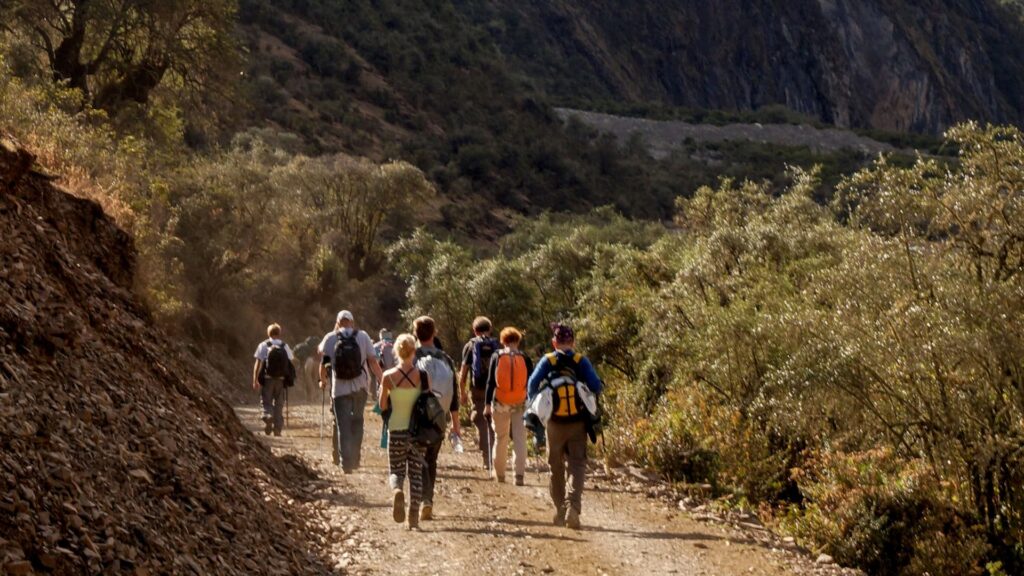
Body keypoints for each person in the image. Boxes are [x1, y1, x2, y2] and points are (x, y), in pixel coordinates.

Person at [527, 323, 603, 530]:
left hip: (554, 423)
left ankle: (560, 509)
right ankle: (573, 508)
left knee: (556, 466)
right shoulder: (581, 361)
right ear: (573, 342)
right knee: (577, 465)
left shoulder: (548, 360)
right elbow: (596, 386)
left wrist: (535, 412)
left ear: (554, 342)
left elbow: (532, 386)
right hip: (578, 422)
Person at [319, 310, 384, 474]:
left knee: (343, 425)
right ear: (352, 322)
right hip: (360, 386)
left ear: (338, 322)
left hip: (339, 389)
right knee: (357, 422)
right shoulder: (362, 336)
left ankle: (345, 462)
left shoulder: (331, 337)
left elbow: (324, 362)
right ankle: (355, 459)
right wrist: (383, 380)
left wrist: (323, 380)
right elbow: (373, 362)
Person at [379, 334, 430, 530]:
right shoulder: (423, 376)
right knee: (416, 474)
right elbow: (428, 403)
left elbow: (382, 405)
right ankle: (413, 518)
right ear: (414, 351)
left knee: (396, 471)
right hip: (418, 433)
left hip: (396, 429)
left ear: (397, 352)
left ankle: (397, 490)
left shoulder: (388, 376)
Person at [412, 316, 461, 521]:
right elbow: (455, 395)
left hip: (416, 415)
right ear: (434, 333)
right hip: (439, 416)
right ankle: (427, 499)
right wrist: (456, 425)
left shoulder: (411, 357)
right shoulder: (446, 359)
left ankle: (424, 498)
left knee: (418, 457)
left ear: (415, 334)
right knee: (432, 458)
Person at [485, 327, 533, 485]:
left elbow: (491, 382)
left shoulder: (497, 356)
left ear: (503, 341)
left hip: (500, 402)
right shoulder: (525, 357)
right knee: (520, 438)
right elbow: (531, 383)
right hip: (520, 402)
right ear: (518, 341)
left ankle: (500, 474)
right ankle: (519, 475)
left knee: (501, 437)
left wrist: (486, 405)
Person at [459, 317, 499, 470]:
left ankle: (486, 457)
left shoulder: (471, 345)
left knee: (481, 420)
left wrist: (462, 392)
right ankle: (495, 454)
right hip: (495, 388)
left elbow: (463, 371)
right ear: (490, 329)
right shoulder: (496, 345)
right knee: (494, 419)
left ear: (474, 330)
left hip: (478, 389)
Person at [252, 323, 295, 437]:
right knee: (279, 404)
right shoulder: (284, 346)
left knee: (266, 401)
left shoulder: (263, 345)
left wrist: (255, 379)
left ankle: (268, 415)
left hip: (267, 379)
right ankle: (277, 429)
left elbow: (258, 363)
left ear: (268, 333)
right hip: (281, 380)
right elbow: (291, 361)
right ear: (279, 333)